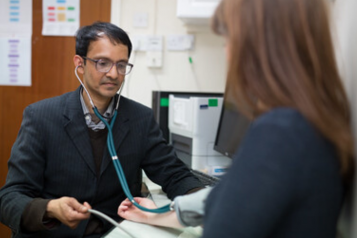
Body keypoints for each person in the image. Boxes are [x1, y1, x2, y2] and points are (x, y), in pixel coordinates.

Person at [118, 0, 355, 237]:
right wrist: (159, 213)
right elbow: (227, 196)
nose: (227, 53)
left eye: (227, 40)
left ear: (255, 45)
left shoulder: (280, 132)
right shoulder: (317, 120)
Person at [0, 22, 204, 238]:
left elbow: (174, 174)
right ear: (80, 64)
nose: (114, 74)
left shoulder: (139, 119)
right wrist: (50, 209)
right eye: (102, 63)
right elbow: (10, 197)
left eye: (122, 65)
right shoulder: (41, 116)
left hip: (115, 233)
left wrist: (205, 199)